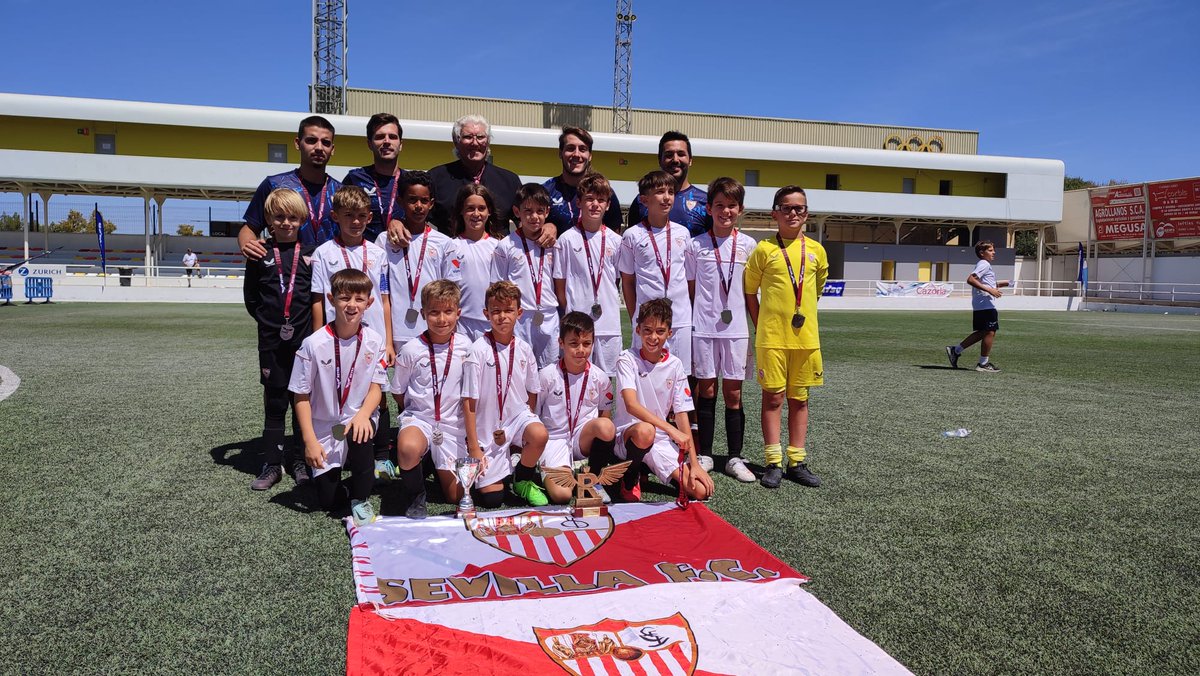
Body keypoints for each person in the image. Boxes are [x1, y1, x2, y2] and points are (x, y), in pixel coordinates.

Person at [289, 268, 389, 526]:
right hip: (324, 425)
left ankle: (360, 497)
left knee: (360, 430)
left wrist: (364, 414)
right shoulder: (312, 343)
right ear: (331, 299)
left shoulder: (374, 340)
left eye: (358, 299)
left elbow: (376, 387)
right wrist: (309, 441)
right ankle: (341, 481)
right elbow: (300, 396)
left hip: (358, 416)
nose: (352, 305)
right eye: (344, 298)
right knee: (327, 501)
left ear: (370, 302)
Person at [744, 186, 828, 489]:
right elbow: (749, 291)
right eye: (787, 208)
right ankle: (773, 462)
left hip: (805, 340)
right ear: (774, 213)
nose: (794, 213)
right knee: (773, 398)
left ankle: (797, 461)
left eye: (800, 208)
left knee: (800, 400)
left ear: (806, 213)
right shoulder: (764, 249)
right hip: (771, 339)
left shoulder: (817, 250)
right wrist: (761, 324)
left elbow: (814, 292)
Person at [310, 185, 394, 477]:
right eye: (348, 216)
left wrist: (389, 341)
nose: (355, 222)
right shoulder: (323, 253)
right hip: (339, 337)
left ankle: (381, 455)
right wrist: (319, 337)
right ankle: (339, 451)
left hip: (374, 338)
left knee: (378, 393)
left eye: (361, 215)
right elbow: (319, 299)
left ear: (370, 217)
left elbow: (384, 299)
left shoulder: (378, 253)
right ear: (335, 216)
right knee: (342, 389)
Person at [243, 189, 317, 490]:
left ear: (302, 219)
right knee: (275, 404)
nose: (286, 223)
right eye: (279, 217)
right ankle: (272, 465)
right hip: (272, 344)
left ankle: (299, 461)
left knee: (301, 401)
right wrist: (270, 324)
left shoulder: (312, 254)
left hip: (304, 344)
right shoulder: (260, 254)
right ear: (269, 220)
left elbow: (316, 297)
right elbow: (251, 299)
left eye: (292, 217)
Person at [687, 177, 756, 481]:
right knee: (707, 390)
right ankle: (705, 455)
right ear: (709, 208)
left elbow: (752, 291)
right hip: (703, 328)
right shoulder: (696, 245)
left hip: (736, 330)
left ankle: (735, 457)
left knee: (733, 393)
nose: (725, 211)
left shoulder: (749, 245)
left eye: (731, 206)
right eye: (719, 205)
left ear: (739, 209)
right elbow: (690, 289)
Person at [613, 298, 713, 503]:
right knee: (645, 431)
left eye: (660, 331)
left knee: (701, 491)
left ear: (670, 333)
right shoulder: (627, 359)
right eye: (647, 330)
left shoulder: (675, 365)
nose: (653, 337)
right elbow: (631, 405)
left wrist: (694, 463)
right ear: (638, 330)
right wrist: (670, 429)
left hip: (660, 439)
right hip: (629, 434)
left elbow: (682, 413)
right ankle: (629, 477)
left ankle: (645, 467)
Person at [390, 280, 473, 519]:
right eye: (434, 312)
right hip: (422, 420)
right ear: (423, 313)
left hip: (452, 425)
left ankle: (429, 464)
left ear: (458, 312)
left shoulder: (467, 347)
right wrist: (415, 416)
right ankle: (416, 495)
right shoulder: (411, 349)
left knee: (455, 496)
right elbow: (398, 391)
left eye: (448, 311)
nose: (441, 319)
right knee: (407, 448)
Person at [462, 281, 549, 507]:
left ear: (519, 313)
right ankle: (496, 468)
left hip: (516, 420)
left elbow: (532, 392)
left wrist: (522, 436)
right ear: (486, 314)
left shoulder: (524, 348)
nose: (502, 317)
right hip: (487, 430)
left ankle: (522, 479)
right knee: (493, 500)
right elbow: (469, 402)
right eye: (496, 311)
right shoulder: (477, 350)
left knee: (539, 434)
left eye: (509, 310)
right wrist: (474, 447)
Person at [536, 312, 617, 505]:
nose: (581, 350)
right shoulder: (547, 376)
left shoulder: (601, 378)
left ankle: (593, 479)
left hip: (582, 439)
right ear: (561, 343)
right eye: (574, 344)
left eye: (586, 344)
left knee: (606, 427)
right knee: (562, 495)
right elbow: (534, 416)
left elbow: (604, 418)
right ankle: (549, 467)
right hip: (555, 439)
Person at [618, 170, 694, 374]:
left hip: (680, 319)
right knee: (647, 375)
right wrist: (637, 315)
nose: (667, 197)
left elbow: (689, 278)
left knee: (680, 376)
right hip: (648, 323)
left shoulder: (683, 233)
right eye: (660, 192)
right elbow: (627, 280)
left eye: (671, 191)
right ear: (644, 200)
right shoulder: (632, 235)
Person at [238, 116, 341, 260]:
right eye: (311, 140)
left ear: (332, 149)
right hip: (287, 275)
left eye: (326, 142)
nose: (319, 147)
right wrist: (249, 245)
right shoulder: (274, 185)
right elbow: (249, 228)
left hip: (329, 275)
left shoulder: (341, 192)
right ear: (298, 143)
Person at [553, 172, 623, 373]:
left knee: (605, 383)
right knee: (575, 378)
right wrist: (572, 311)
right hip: (577, 325)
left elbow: (616, 280)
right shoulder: (566, 240)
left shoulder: (616, 241)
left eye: (601, 200)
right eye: (590, 199)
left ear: (608, 205)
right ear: (579, 202)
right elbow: (560, 286)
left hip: (608, 325)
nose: (595, 204)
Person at [376, 171, 453, 350]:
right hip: (393, 333)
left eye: (424, 201)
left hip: (432, 332)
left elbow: (449, 292)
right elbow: (381, 291)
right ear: (401, 201)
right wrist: (387, 342)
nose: (418, 206)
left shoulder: (444, 243)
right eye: (412, 200)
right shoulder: (384, 240)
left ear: (431, 204)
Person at [491, 183, 559, 368]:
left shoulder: (555, 245)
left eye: (539, 211)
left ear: (547, 212)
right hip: (520, 318)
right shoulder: (506, 246)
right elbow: (498, 286)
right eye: (528, 210)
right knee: (519, 369)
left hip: (549, 314)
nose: (534, 216)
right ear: (516, 211)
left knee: (549, 370)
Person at [427, 115, 523, 237]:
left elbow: (523, 222)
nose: (475, 142)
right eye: (468, 137)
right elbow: (418, 220)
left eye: (480, 137)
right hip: (451, 254)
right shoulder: (436, 177)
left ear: (488, 141)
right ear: (456, 141)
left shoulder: (510, 180)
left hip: (498, 254)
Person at [443, 184, 501, 341]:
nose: (476, 214)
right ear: (461, 211)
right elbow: (449, 288)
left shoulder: (499, 247)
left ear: (489, 211)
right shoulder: (452, 246)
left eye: (481, 208)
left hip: (491, 323)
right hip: (461, 324)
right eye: (470, 208)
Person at [342, 112, 409, 244]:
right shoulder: (354, 179)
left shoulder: (410, 182)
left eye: (393, 137)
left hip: (403, 258)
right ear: (369, 144)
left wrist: (401, 222)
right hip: (363, 258)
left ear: (401, 144)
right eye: (380, 137)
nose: (387, 142)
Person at [543, 127, 623, 236]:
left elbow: (615, 237)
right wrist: (546, 227)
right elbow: (528, 230)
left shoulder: (604, 192)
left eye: (582, 149)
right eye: (570, 148)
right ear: (560, 153)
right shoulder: (545, 192)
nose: (576, 154)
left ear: (590, 156)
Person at [626, 131, 708, 236]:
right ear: (659, 160)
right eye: (669, 155)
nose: (675, 159)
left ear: (690, 160)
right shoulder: (642, 201)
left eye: (681, 154)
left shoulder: (705, 202)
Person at [946, 240, 1009, 373]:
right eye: (990, 250)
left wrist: (1003, 284)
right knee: (990, 331)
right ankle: (983, 364)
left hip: (982, 304)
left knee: (983, 332)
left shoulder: (984, 265)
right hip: (985, 304)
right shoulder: (984, 264)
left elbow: (985, 282)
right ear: (982, 253)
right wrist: (990, 290)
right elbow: (971, 279)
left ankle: (955, 350)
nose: (994, 252)